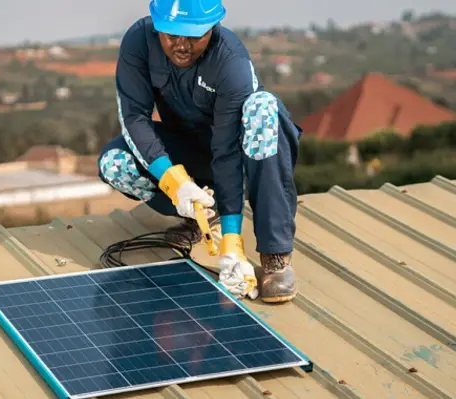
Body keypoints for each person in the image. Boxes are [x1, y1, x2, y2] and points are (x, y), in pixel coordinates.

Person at [97, 0, 302, 303]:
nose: (181, 46)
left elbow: (228, 151)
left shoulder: (231, 62)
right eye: (170, 35)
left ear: (212, 28)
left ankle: (275, 254)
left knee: (263, 107)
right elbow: (134, 118)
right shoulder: (138, 41)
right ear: (156, 27)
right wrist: (175, 182)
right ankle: (202, 216)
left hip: (243, 158)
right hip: (190, 153)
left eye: (193, 36)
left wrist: (232, 244)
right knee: (115, 164)